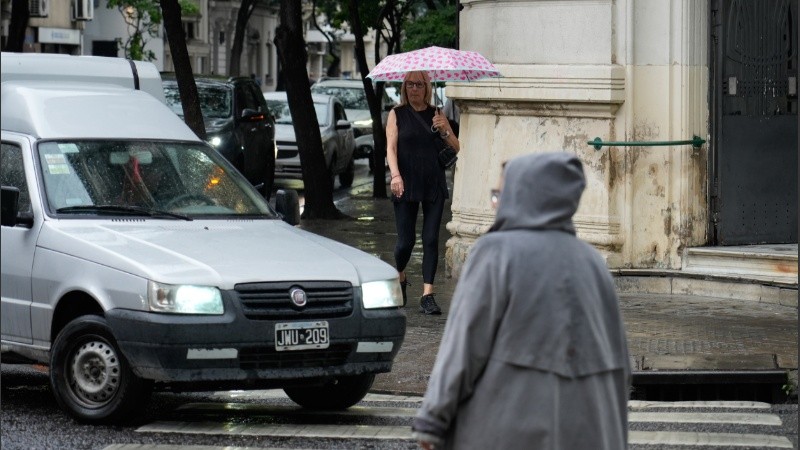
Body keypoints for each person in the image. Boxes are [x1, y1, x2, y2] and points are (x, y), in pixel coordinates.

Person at [412, 152, 631, 449]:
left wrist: (432, 421)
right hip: (584, 433)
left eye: (500, 195)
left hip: (505, 429)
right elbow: (618, 364)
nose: (496, 204)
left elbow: (464, 346)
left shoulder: (495, 252)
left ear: (523, 196)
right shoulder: (592, 262)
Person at [386, 70, 460, 315]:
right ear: (404, 87)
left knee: (430, 239)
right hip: (405, 182)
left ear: (427, 87)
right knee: (405, 241)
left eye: (418, 84)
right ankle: (400, 275)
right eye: (409, 84)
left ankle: (427, 294)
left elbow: (457, 147)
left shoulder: (437, 114)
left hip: (433, 182)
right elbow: (391, 148)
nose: (413, 88)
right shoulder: (396, 114)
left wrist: (444, 129)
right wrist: (395, 175)